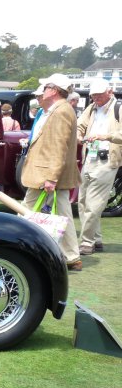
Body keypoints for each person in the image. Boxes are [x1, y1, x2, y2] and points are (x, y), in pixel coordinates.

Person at [20, 74, 81, 271]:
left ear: (54, 90)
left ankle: (18, 248)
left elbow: (58, 147)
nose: (43, 91)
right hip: (47, 174)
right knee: (61, 214)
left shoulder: (60, 111)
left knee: (27, 211)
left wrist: (51, 177)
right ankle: (71, 256)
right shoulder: (60, 109)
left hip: (46, 174)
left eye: (46, 87)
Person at [76, 78, 122, 256]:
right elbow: (80, 125)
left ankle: (87, 242)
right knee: (82, 201)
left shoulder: (119, 108)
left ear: (109, 92)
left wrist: (106, 136)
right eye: (93, 95)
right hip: (89, 157)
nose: (96, 98)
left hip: (107, 160)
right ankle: (96, 239)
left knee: (93, 204)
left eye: (99, 95)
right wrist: (79, 135)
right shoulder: (91, 108)